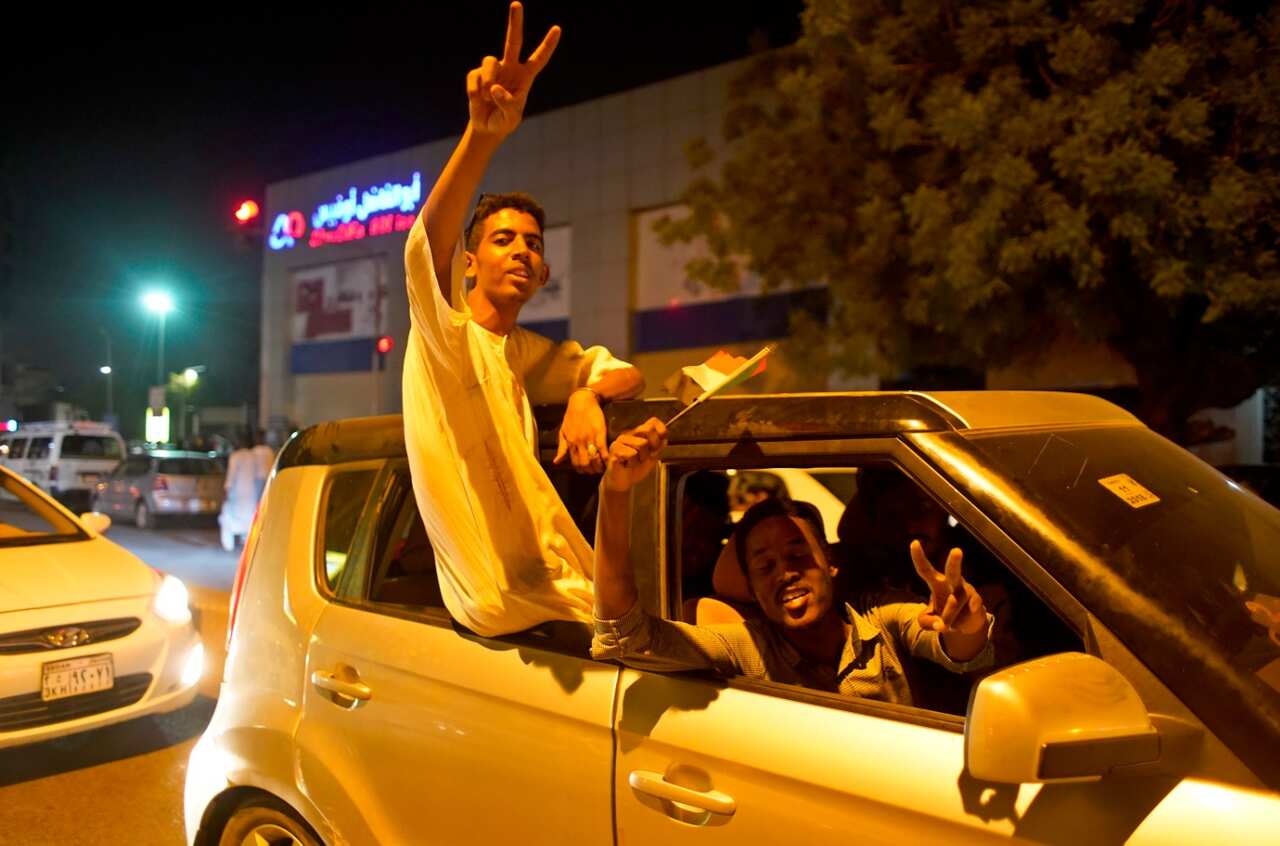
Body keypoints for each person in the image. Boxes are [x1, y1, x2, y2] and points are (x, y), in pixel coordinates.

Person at [403, 2, 644, 636]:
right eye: (504, 238)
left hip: (569, 598)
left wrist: (587, 395)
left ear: (543, 275)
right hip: (507, 615)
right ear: (470, 263)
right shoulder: (444, 338)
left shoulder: (528, 355)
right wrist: (483, 134)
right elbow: (426, 243)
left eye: (533, 244)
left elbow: (626, 374)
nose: (522, 250)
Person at [592, 420, 994, 707]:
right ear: (751, 589)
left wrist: (967, 621)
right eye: (764, 567)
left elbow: (954, 646)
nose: (785, 572)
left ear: (831, 562)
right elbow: (628, 637)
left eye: (798, 555)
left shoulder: (880, 619)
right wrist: (615, 491)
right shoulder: (749, 648)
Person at [220, 433, 257, 553]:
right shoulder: (253, 456)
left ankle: (228, 545)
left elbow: (231, 476)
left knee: (229, 516)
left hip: (237, 492)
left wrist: (226, 491)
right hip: (252, 492)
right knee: (249, 517)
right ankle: (246, 542)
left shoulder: (235, 456)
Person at [250, 428, 274, 500]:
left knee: (258, 498)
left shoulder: (254, 450)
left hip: (257, 478)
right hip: (268, 477)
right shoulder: (269, 450)